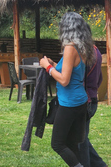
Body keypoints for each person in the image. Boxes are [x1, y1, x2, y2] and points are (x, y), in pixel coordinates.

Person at [40, 12, 95, 167]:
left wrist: (48, 67)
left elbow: (64, 80)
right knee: (71, 144)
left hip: (69, 103)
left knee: (57, 144)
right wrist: (54, 63)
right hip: (80, 102)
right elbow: (71, 71)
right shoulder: (82, 47)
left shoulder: (70, 47)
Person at [79, 45, 107, 167]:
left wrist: (50, 68)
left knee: (80, 140)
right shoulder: (96, 51)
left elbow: (75, 77)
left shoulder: (82, 51)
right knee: (81, 138)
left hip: (83, 100)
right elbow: (99, 78)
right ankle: (100, 165)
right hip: (91, 98)